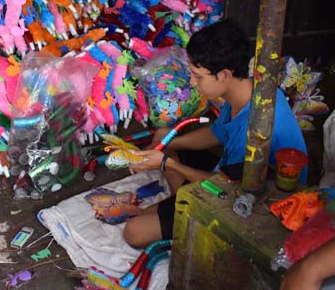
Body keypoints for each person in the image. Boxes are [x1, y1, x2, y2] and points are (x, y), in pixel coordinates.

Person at [122, 19, 308, 248]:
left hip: (255, 205)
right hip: (232, 172)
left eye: (198, 76)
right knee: (165, 137)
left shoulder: (254, 131)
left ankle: (182, 199)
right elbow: (216, 133)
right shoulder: (246, 90)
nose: (192, 82)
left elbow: (230, 190)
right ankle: (180, 197)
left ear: (225, 75)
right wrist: (165, 146)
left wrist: (168, 164)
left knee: (134, 232)